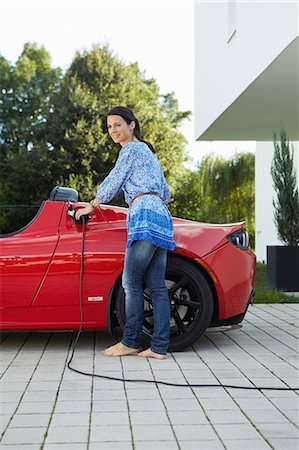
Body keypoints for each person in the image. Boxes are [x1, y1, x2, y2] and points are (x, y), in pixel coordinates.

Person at [75, 106, 176, 360]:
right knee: (156, 286)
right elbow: (167, 192)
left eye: (117, 124)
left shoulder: (131, 149)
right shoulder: (149, 153)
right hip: (162, 217)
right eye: (109, 127)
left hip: (143, 215)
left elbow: (115, 179)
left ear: (132, 124)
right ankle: (159, 347)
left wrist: (92, 205)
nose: (113, 131)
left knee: (130, 281)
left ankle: (130, 341)